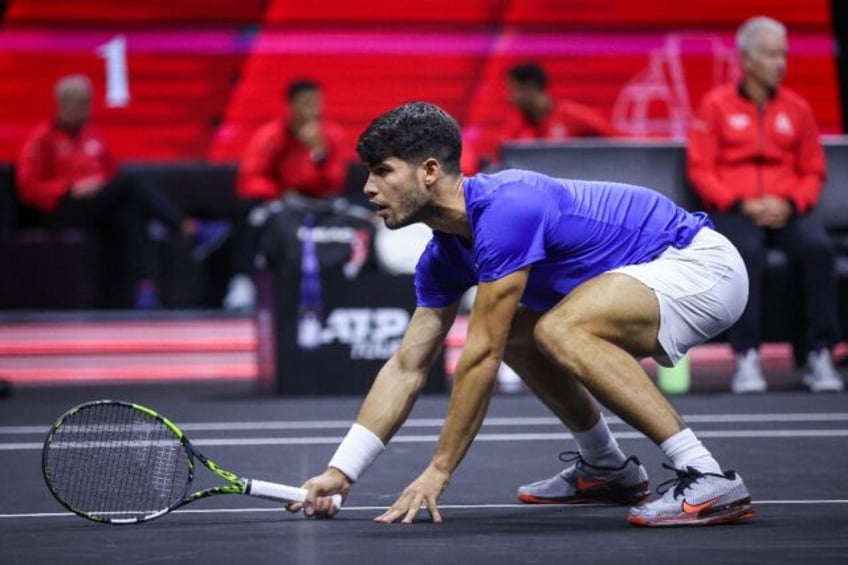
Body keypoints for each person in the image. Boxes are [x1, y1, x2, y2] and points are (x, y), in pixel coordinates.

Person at [289, 101, 756, 528]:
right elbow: (407, 367)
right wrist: (342, 469)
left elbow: (480, 358)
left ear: (429, 171)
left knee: (558, 329)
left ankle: (706, 475)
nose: (368, 187)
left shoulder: (507, 208)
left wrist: (439, 471)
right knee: (520, 331)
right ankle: (606, 468)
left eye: (382, 171)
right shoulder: (443, 257)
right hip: (652, 277)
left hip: (701, 266)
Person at [687, 16, 844, 393]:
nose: (780, 64)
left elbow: (813, 169)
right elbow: (701, 169)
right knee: (745, 255)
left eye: (783, 55)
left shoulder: (798, 109)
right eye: (771, 55)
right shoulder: (715, 106)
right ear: (747, 60)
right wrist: (741, 203)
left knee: (819, 250)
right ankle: (747, 356)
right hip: (738, 208)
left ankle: (819, 353)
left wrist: (791, 203)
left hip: (788, 207)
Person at [15, 74, 230, 309]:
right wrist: (69, 188)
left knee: (131, 211)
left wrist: (100, 187)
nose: (86, 109)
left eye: (88, 102)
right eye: (80, 103)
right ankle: (188, 228)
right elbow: (28, 187)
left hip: (97, 206)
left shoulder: (91, 136)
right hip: (63, 208)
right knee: (132, 184)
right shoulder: (42, 139)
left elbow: (111, 175)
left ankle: (145, 290)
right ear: (62, 104)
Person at [222, 79, 350, 311]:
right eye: (305, 104)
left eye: (316, 104)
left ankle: (349, 283)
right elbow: (250, 178)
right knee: (248, 213)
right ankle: (243, 281)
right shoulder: (270, 136)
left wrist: (318, 153)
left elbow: (334, 182)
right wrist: (280, 194)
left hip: (319, 202)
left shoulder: (331, 136)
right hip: (279, 202)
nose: (312, 110)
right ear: (291, 105)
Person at [502, 62, 622, 143]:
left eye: (512, 89)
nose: (508, 97)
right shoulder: (516, 128)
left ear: (530, 88)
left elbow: (620, 141)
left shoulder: (575, 116)